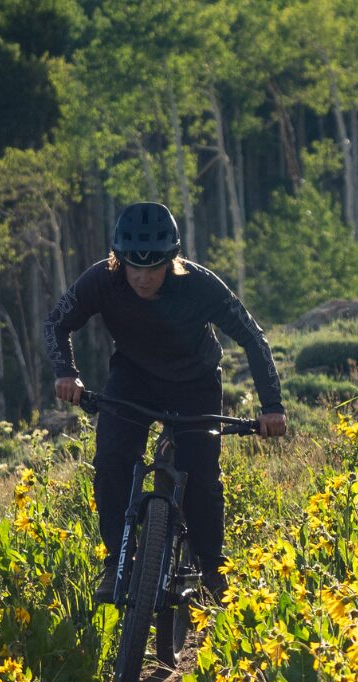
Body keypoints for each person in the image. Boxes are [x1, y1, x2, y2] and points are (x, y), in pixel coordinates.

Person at [44, 201, 286, 605]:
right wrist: (66, 372)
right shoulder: (103, 280)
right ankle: (117, 560)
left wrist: (272, 406)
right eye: (132, 266)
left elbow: (252, 337)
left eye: (153, 267)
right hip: (133, 379)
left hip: (195, 383)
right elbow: (56, 321)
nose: (142, 277)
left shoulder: (199, 284)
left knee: (202, 478)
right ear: (117, 259)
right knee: (112, 460)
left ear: (171, 260)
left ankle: (212, 568)